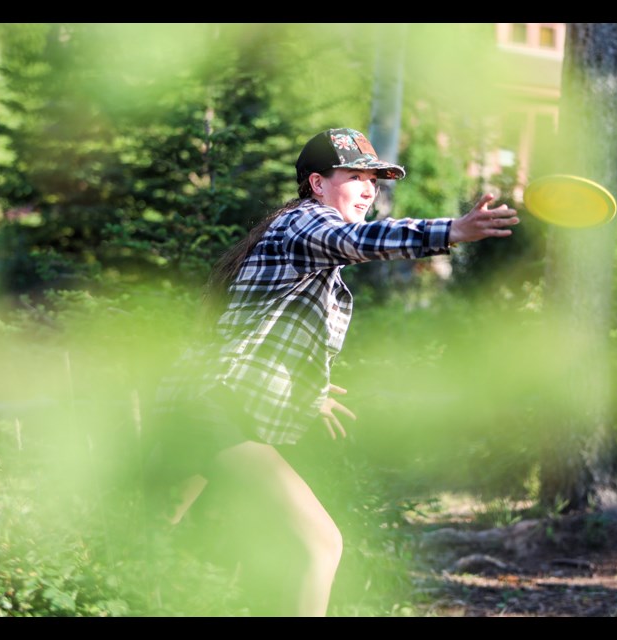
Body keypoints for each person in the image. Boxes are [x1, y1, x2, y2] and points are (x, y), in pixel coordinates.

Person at [147, 127, 519, 616]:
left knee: (146, 536)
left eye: (375, 179)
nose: (370, 189)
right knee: (320, 545)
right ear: (318, 183)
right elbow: (360, 239)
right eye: (356, 176)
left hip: (205, 404)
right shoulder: (308, 223)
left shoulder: (296, 236)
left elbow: (258, 330)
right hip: (216, 412)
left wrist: (313, 391)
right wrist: (451, 231)